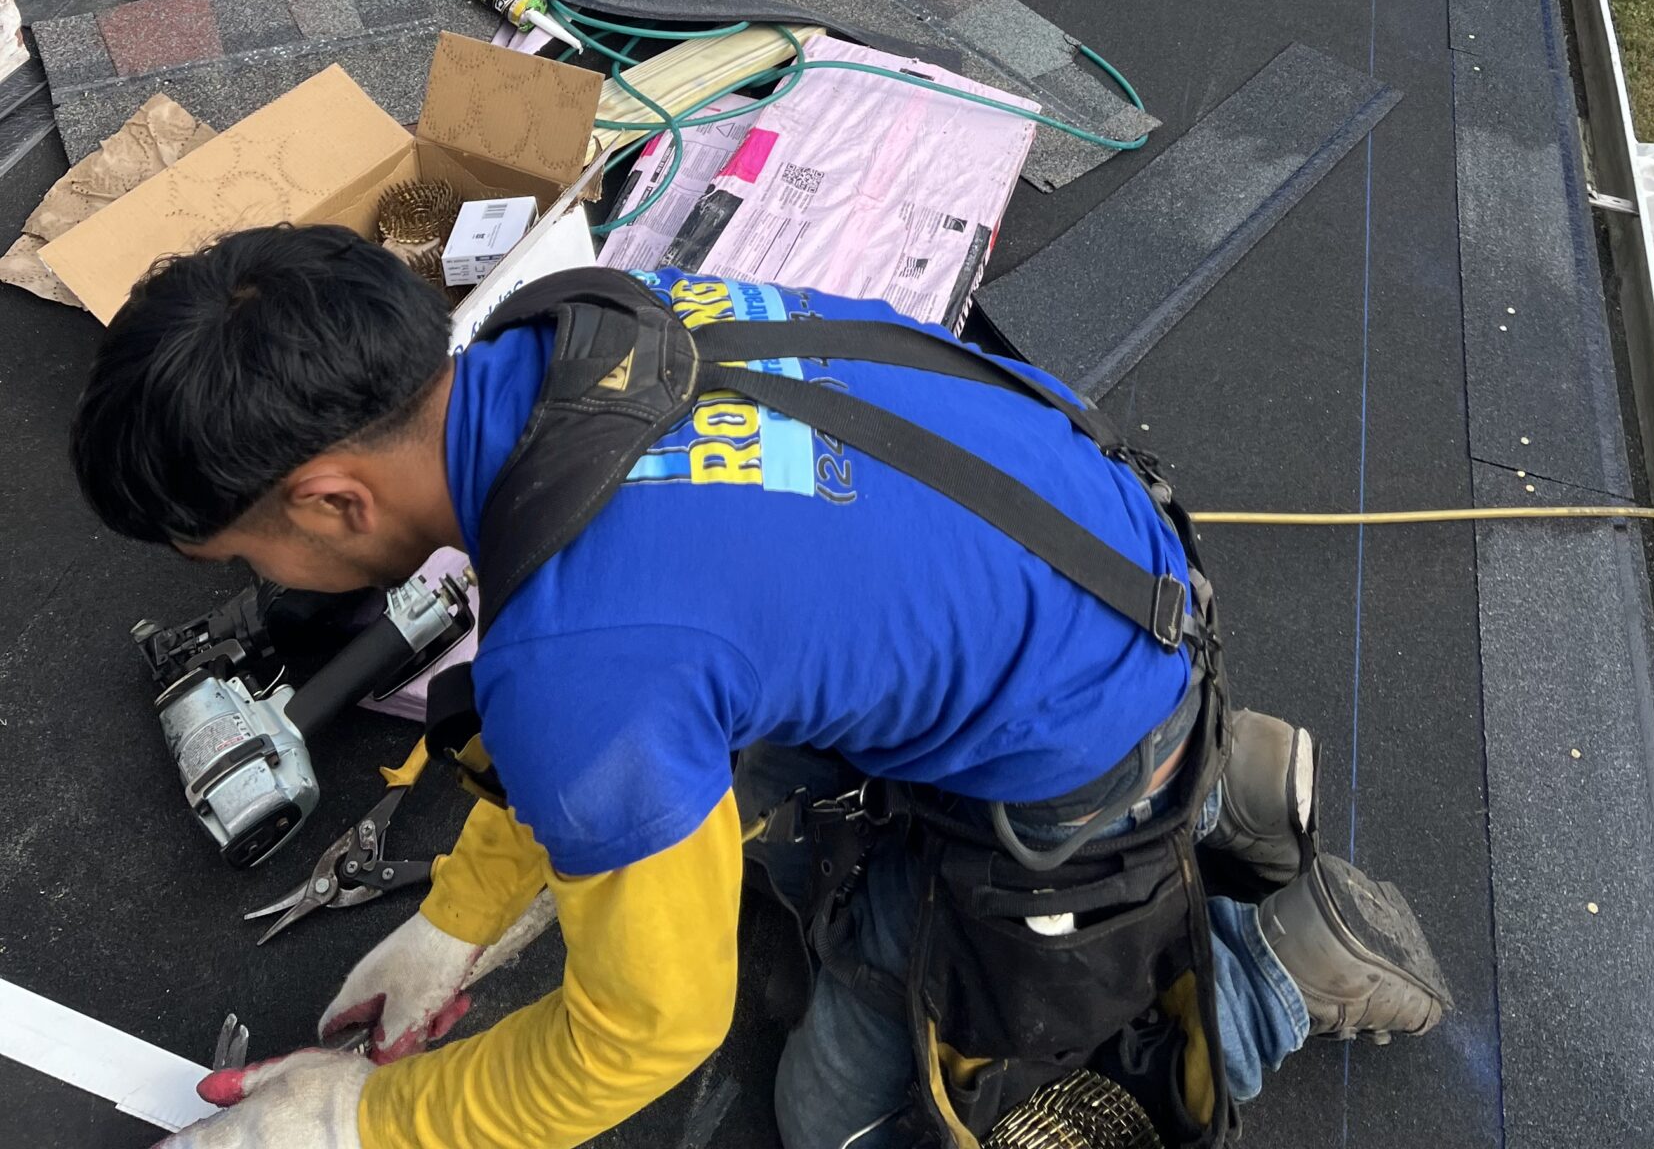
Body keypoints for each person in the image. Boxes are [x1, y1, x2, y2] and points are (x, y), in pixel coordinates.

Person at [73, 227, 1450, 1149]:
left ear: (324, 497)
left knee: (838, 1109)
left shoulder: (585, 657)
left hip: (1076, 735)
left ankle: (1274, 964)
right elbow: (604, 696)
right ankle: (1218, 772)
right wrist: (457, 922)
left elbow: (648, 1034)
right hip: (1101, 566)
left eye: (244, 551)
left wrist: (353, 1124)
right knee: (729, 767)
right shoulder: (594, 337)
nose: (264, 579)